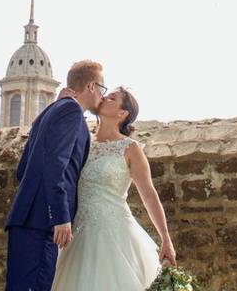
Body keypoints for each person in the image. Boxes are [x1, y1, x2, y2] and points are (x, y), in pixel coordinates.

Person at [51, 86, 177, 291]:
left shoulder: (130, 148)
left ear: (122, 113)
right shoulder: (82, 141)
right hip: (78, 234)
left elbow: (149, 195)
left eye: (111, 98)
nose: (104, 98)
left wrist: (166, 239)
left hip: (116, 234)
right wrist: (61, 103)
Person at [4, 60, 106, 291]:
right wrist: (59, 216)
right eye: (102, 88)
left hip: (28, 218)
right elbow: (56, 165)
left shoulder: (53, 110)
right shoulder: (70, 111)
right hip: (42, 222)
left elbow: (23, 169)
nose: (102, 94)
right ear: (91, 86)